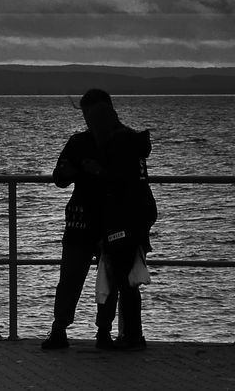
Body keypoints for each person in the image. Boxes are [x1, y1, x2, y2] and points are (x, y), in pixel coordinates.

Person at [40, 89, 118, 350]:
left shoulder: (113, 142)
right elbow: (59, 177)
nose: (88, 119)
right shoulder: (83, 142)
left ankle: (92, 331)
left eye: (90, 113)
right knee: (78, 278)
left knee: (89, 278)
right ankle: (74, 330)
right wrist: (72, 170)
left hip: (96, 220)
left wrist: (84, 172)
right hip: (94, 220)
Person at [85, 93, 156, 350]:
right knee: (127, 278)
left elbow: (116, 181)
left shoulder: (115, 144)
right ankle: (130, 334)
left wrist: (97, 170)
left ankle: (131, 336)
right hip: (139, 216)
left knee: (120, 276)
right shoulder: (132, 141)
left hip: (122, 219)